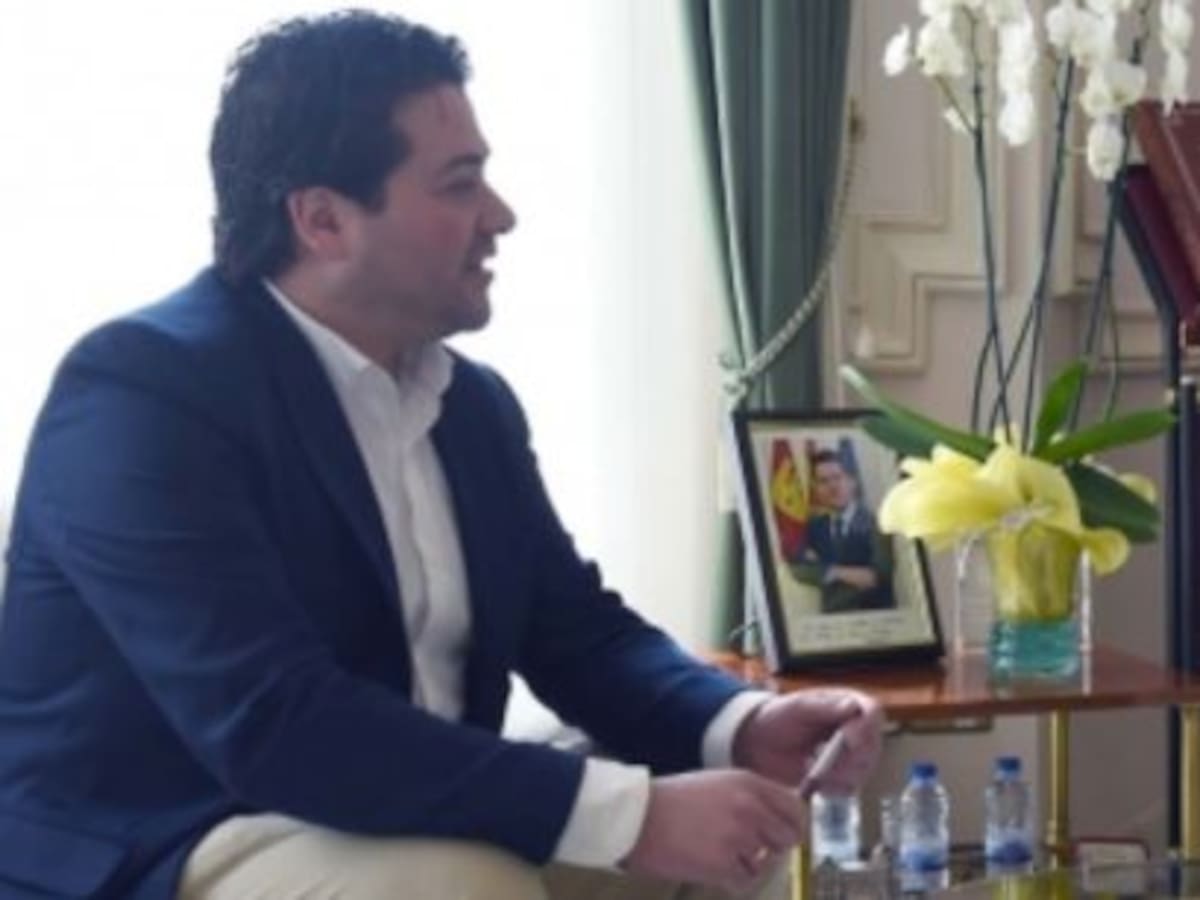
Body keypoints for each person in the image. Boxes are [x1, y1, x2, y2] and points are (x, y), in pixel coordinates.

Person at [0, 11, 884, 900]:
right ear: (322, 220)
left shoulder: (472, 406)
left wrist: (741, 724)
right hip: (170, 836)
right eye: (460, 185)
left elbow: (577, 633)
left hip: (389, 814)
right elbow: (272, 719)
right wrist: (634, 815)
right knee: (465, 883)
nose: (500, 216)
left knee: (736, 842)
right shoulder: (144, 392)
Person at [798, 450, 895, 614]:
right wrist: (837, 572)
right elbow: (799, 568)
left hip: (874, 617)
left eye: (837, 477)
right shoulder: (814, 527)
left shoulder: (877, 523)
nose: (832, 486)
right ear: (816, 489)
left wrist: (825, 571)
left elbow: (879, 575)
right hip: (830, 619)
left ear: (852, 481)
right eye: (823, 481)